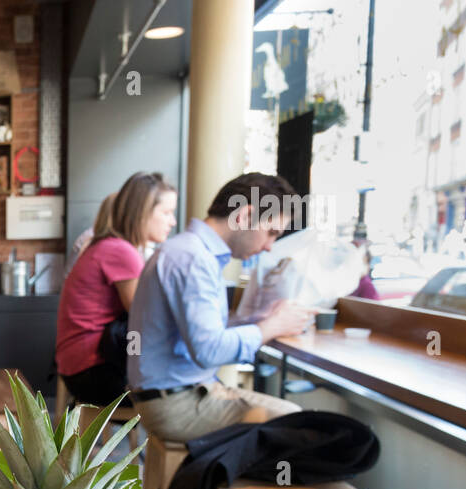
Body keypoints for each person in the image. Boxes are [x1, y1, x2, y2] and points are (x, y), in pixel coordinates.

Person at [127, 172, 316, 443]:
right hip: (174, 405)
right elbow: (209, 350)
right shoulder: (192, 258)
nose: (268, 247)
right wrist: (271, 326)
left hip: (181, 393)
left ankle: (212, 480)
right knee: (298, 427)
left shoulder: (191, 252)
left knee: (295, 420)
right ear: (245, 216)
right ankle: (215, 483)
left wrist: (262, 320)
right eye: (271, 233)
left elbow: (203, 335)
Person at [56, 174, 176, 406]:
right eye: (166, 213)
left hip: (78, 367)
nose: (172, 221)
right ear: (142, 213)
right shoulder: (121, 251)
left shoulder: (106, 245)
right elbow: (145, 317)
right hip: (94, 373)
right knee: (183, 393)